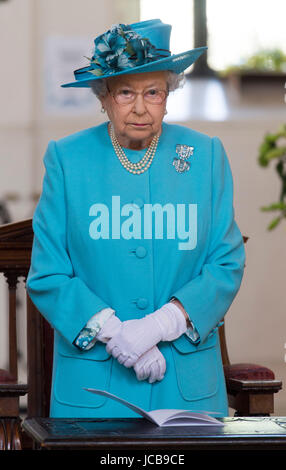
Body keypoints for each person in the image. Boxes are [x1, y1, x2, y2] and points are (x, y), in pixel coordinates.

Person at [26, 19, 245, 418]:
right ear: (103, 96)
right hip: (94, 392)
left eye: (153, 92)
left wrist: (158, 326)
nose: (141, 107)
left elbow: (225, 264)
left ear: (169, 93)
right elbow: (48, 274)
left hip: (185, 385)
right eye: (126, 92)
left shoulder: (206, 155)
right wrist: (118, 333)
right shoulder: (68, 159)